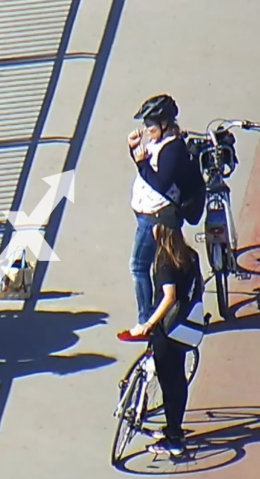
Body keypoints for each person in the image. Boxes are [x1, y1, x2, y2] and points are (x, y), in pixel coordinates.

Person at [129, 205, 205, 456]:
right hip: (184, 328)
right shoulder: (190, 255)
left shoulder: (163, 261)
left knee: (168, 381)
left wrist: (149, 324)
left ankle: (173, 438)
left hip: (167, 330)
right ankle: (175, 428)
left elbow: (169, 296)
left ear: (160, 231)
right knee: (178, 381)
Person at [128, 94, 190, 326]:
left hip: (155, 217)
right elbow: (146, 172)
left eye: (151, 125)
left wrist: (142, 162)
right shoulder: (159, 142)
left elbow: (160, 182)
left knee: (138, 266)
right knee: (159, 267)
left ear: (165, 124)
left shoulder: (172, 148)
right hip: (147, 214)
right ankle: (159, 312)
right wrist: (135, 151)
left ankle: (146, 320)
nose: (146, 130)